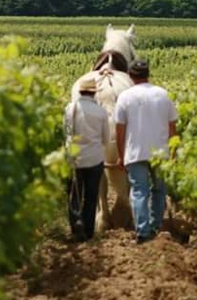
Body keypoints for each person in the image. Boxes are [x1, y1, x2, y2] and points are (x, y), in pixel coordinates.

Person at [113, 60, 178, 244]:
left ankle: (143, 231)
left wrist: (121, 154)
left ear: (131, 76)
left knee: (139, 191)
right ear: (148, 74)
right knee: (159, 189)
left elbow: (120, 129)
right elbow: (172, 126)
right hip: (160, 152)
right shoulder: (163, 94)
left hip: (135, 151)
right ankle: (156, 226)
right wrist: (173, 152)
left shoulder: (125, 97)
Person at [64, 77, 109, 242]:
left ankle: (76, 226)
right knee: (91, 195)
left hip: (74, 158)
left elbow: (66, 133)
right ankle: (89, 231)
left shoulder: (70, 108)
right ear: (93, 93)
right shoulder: (100, 111)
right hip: (94, 159)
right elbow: (106, 138)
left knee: (74, 193)